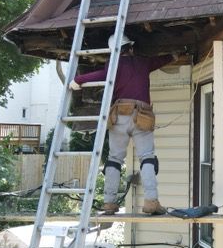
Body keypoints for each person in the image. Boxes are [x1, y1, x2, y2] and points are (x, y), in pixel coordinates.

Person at [70, 34, 177, 215]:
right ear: (131, 48)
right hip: (141, 116)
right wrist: (173, 56)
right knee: (147, 157)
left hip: (119, 115)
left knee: (114, 159)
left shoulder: (113, 65)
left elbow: (101, 75)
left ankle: (109, 203)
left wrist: (78, 81)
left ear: (114, 52)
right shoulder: (144, 63)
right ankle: (151, 201)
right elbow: (160, 61)